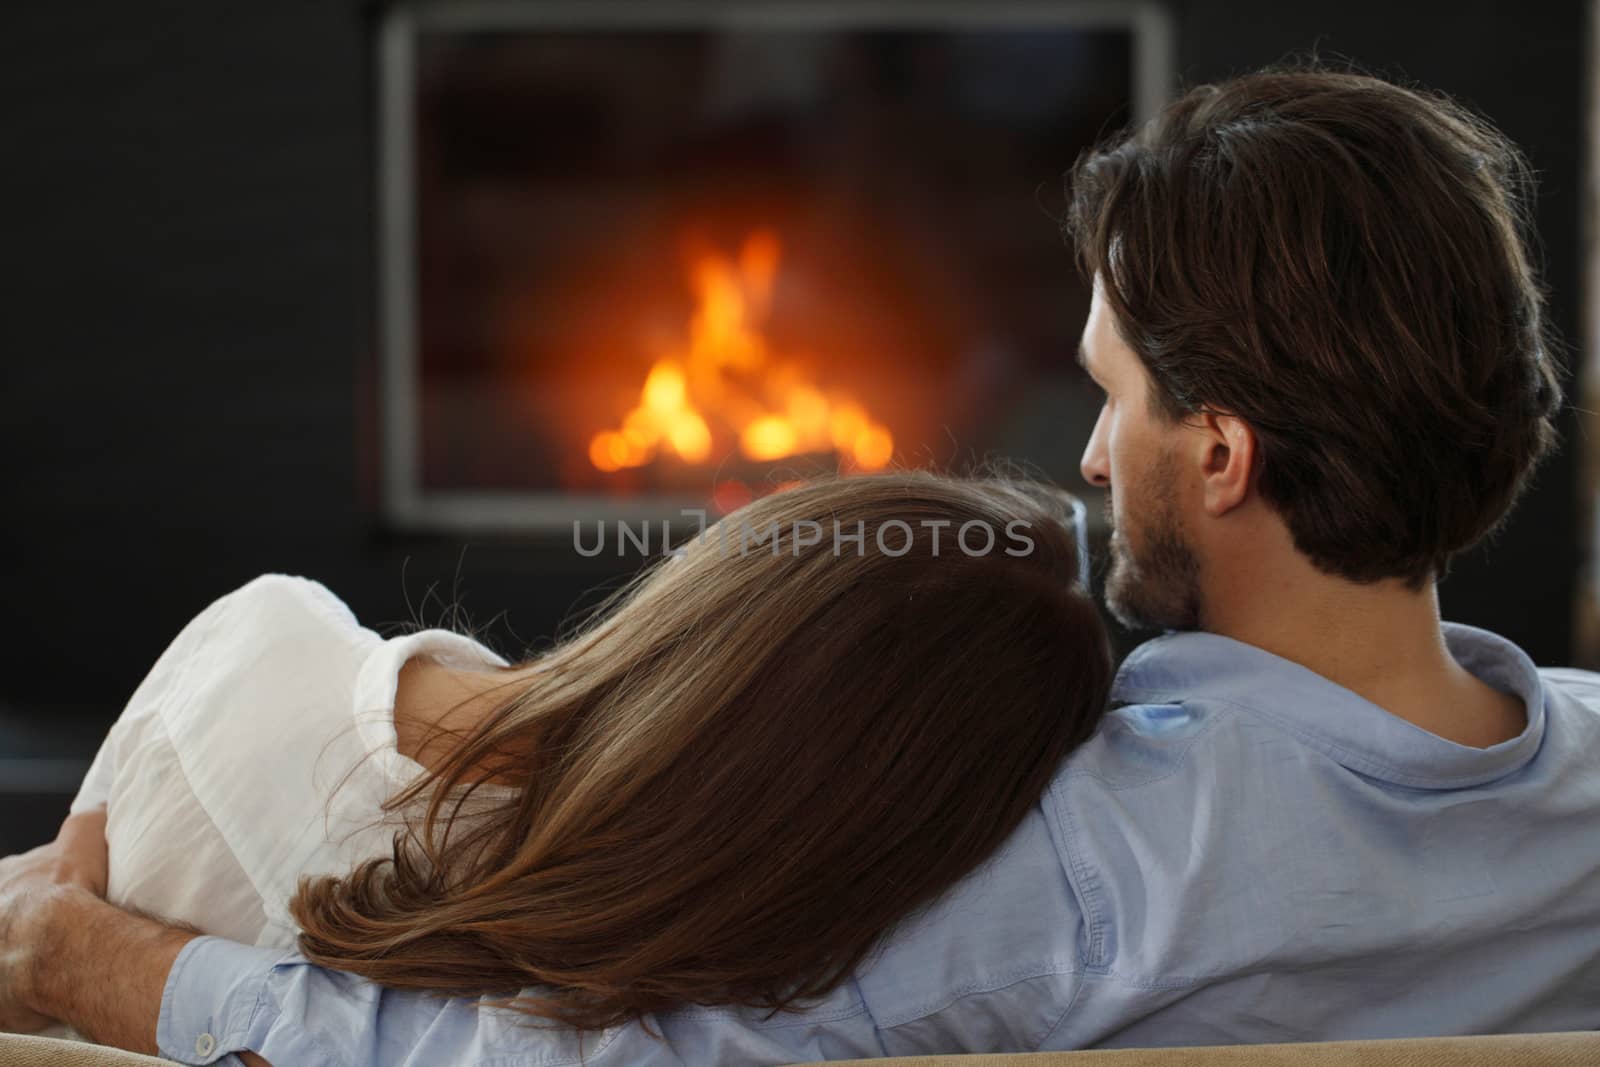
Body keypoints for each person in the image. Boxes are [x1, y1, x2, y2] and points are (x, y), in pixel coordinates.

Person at [4, 61, 1600, 1065]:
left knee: (278, 657)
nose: (1092, 461)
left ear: (1224, 455)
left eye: (1112, 397)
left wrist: (119, 976)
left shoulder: (1076, 867)